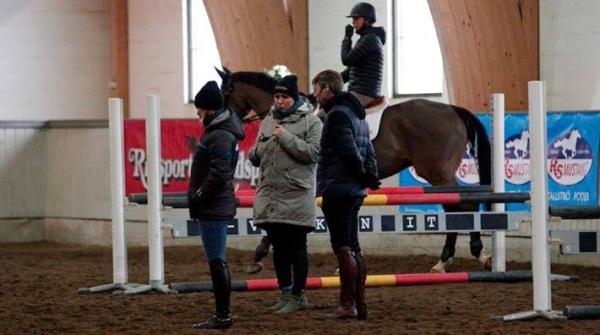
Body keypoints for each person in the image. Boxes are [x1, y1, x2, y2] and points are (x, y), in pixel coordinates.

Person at [249, 74, 322, 314]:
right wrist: (260, 148)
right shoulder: (267, 121)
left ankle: (299, 296)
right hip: (272, 194)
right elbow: (255, 156)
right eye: (277, 96)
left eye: (285, 97)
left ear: (296, 97)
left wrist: (286, 137)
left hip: (297, 194)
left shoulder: (313, 123)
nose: (279, 101)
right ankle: (285, 293)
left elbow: (313, 154)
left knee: (297, 247)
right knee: (278, 248)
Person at [312, 70, 380, 320]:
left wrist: (363, 175)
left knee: (342, 248)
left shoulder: (337, 115)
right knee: (354, 247)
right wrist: (369, 177)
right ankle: (360, 304)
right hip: (354, 190)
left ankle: (346, 304)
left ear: (328, 89)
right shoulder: (357, 115)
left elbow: (349, 150)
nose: (315, 94)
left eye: (317, 89)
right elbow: (369, 151)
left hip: (339, 187)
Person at [188, 80, 245, 329]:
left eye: (200, 108)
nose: (197, 112)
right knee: (216, 259)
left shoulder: (220, 134)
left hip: (213, 206)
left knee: (216, 260)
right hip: (215, 205)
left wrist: (199, 194)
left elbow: (220, 172)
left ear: (209, 109)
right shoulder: (219, 131)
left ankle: (223, 314)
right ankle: (223, 313)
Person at [341, 2, 386, 107]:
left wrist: (347, 38)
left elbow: (346, 60)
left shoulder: (370, 39)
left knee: (330, 113)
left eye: (356, 19)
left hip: (364, 93)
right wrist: (329, 82)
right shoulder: (365, 39)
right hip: (359, 91)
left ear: (367, 20)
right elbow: (351, 71)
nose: (353, 23)